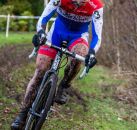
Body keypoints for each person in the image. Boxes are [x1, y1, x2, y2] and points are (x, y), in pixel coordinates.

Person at [11, 0, 104, 129]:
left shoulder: (96, 6)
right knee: (40, 71)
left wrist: (92, 53)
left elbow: (97, 36)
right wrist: (41, 33)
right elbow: (44, 17)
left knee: (79, 57)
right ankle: (22, 114)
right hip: (56, 33)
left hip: (78, 37)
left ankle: (64, 85)